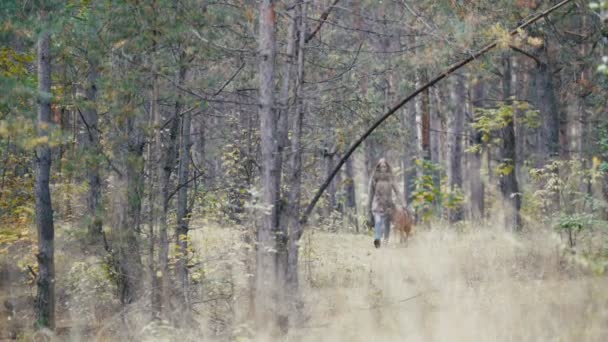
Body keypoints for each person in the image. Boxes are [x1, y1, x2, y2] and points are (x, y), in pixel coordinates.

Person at [367, 158, 404, 248]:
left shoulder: (391, 178)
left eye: (385, 166)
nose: (383, 168)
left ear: (387, 167)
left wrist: (401, 202)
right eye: (381, 166)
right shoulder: (374, 178)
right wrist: (368, 206)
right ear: (378, 167)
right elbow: (370, 193)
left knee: (386, 223)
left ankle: (386, 240)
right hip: (377, 203)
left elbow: (397, 191)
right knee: (378, 221)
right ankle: (377, 239)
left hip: (388, 204)